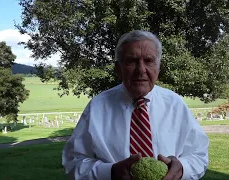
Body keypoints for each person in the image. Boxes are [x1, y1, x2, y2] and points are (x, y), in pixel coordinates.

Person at [62, 30, 209, 180]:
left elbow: (199, 155)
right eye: (131, 61)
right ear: (118, 68)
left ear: (158, 68)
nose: (141, 70)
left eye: (149, 61)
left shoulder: (175, 105)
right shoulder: (97, 107)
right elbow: (74, 161)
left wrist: (182, 169)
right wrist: (110, 172)